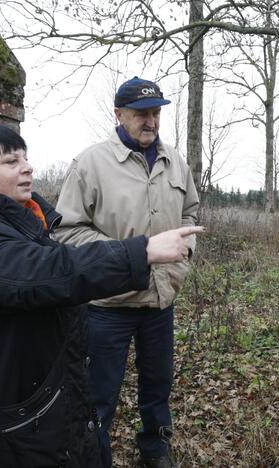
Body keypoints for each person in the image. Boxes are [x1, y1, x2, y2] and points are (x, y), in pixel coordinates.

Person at [0, 123, 201, 467]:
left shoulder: (23, 224)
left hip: (25, 409)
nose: (27, 167)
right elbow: (46, 270)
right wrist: (143, 251)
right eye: (11, 161)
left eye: (26, 158)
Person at [55, 76, 199, 468]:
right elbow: (66, 231)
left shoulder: (175, 162)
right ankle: (93, 455)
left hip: (159, 300)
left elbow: (190, 213)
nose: (150, 121)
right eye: (140, 114)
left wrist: (185, 250)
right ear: (118, 115)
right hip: (107, 304)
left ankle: (154, 449)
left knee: (158, 385)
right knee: (99, 393)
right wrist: (126, 257)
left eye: (155, 113)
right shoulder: (90, 164)